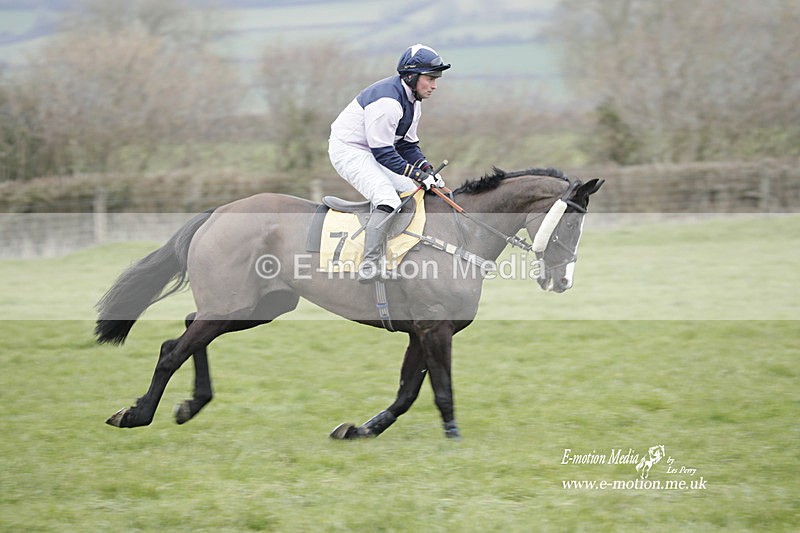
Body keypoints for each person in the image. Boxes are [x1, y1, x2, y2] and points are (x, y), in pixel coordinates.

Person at [329, 43, 450, 282]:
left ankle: (399, 253)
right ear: (411, 77)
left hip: (374, 150)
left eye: (436, 79)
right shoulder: (388, 103)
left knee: (410, 192)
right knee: (388, 199)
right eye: (430, 78)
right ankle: (370, 264)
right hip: (349, 150)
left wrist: (426, 170)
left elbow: (407, 146)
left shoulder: (413, 102)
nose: (434, 85)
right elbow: (384, 153)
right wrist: (418, 174)